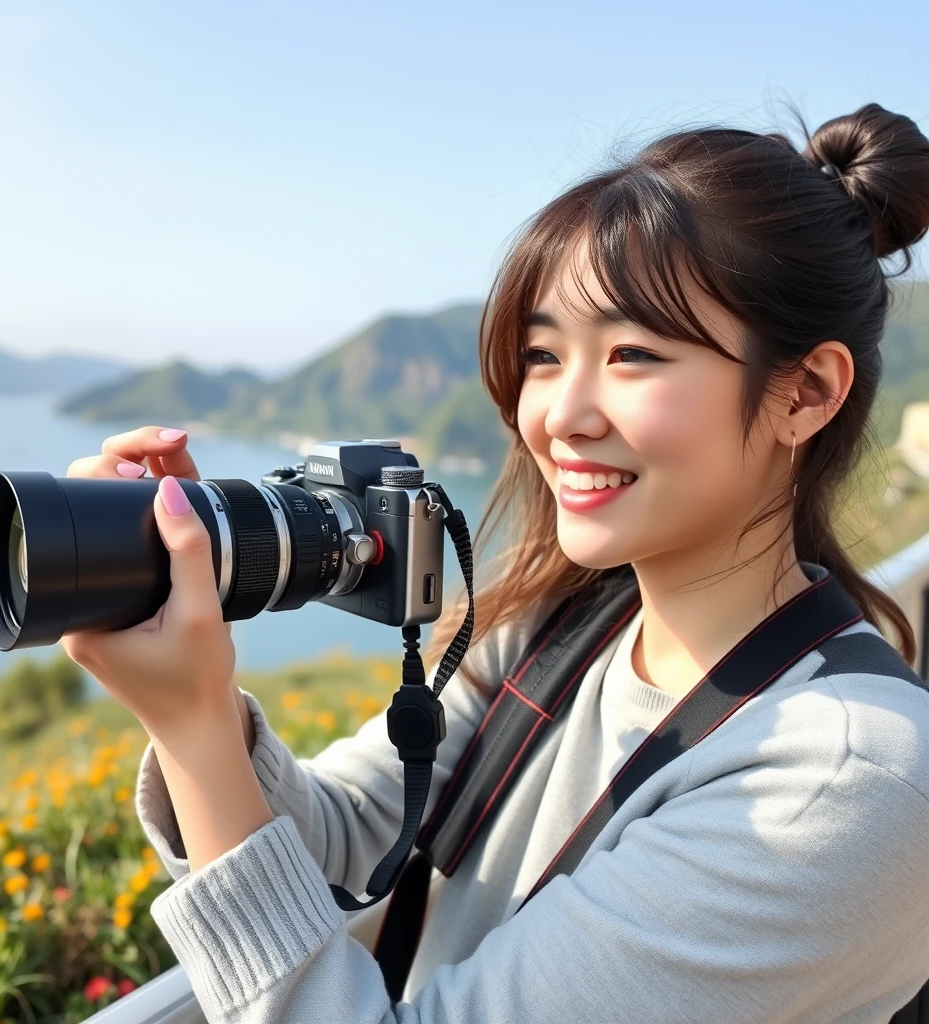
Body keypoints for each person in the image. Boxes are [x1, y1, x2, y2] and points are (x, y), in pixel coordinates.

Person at [62, 102, 929, 1022]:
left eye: (634, 353)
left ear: (807, 392)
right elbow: (353, 834)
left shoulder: (842, 786)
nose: (558, 414)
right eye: (544, 354)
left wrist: (194, 725)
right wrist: (189, 664)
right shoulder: (556, 625)